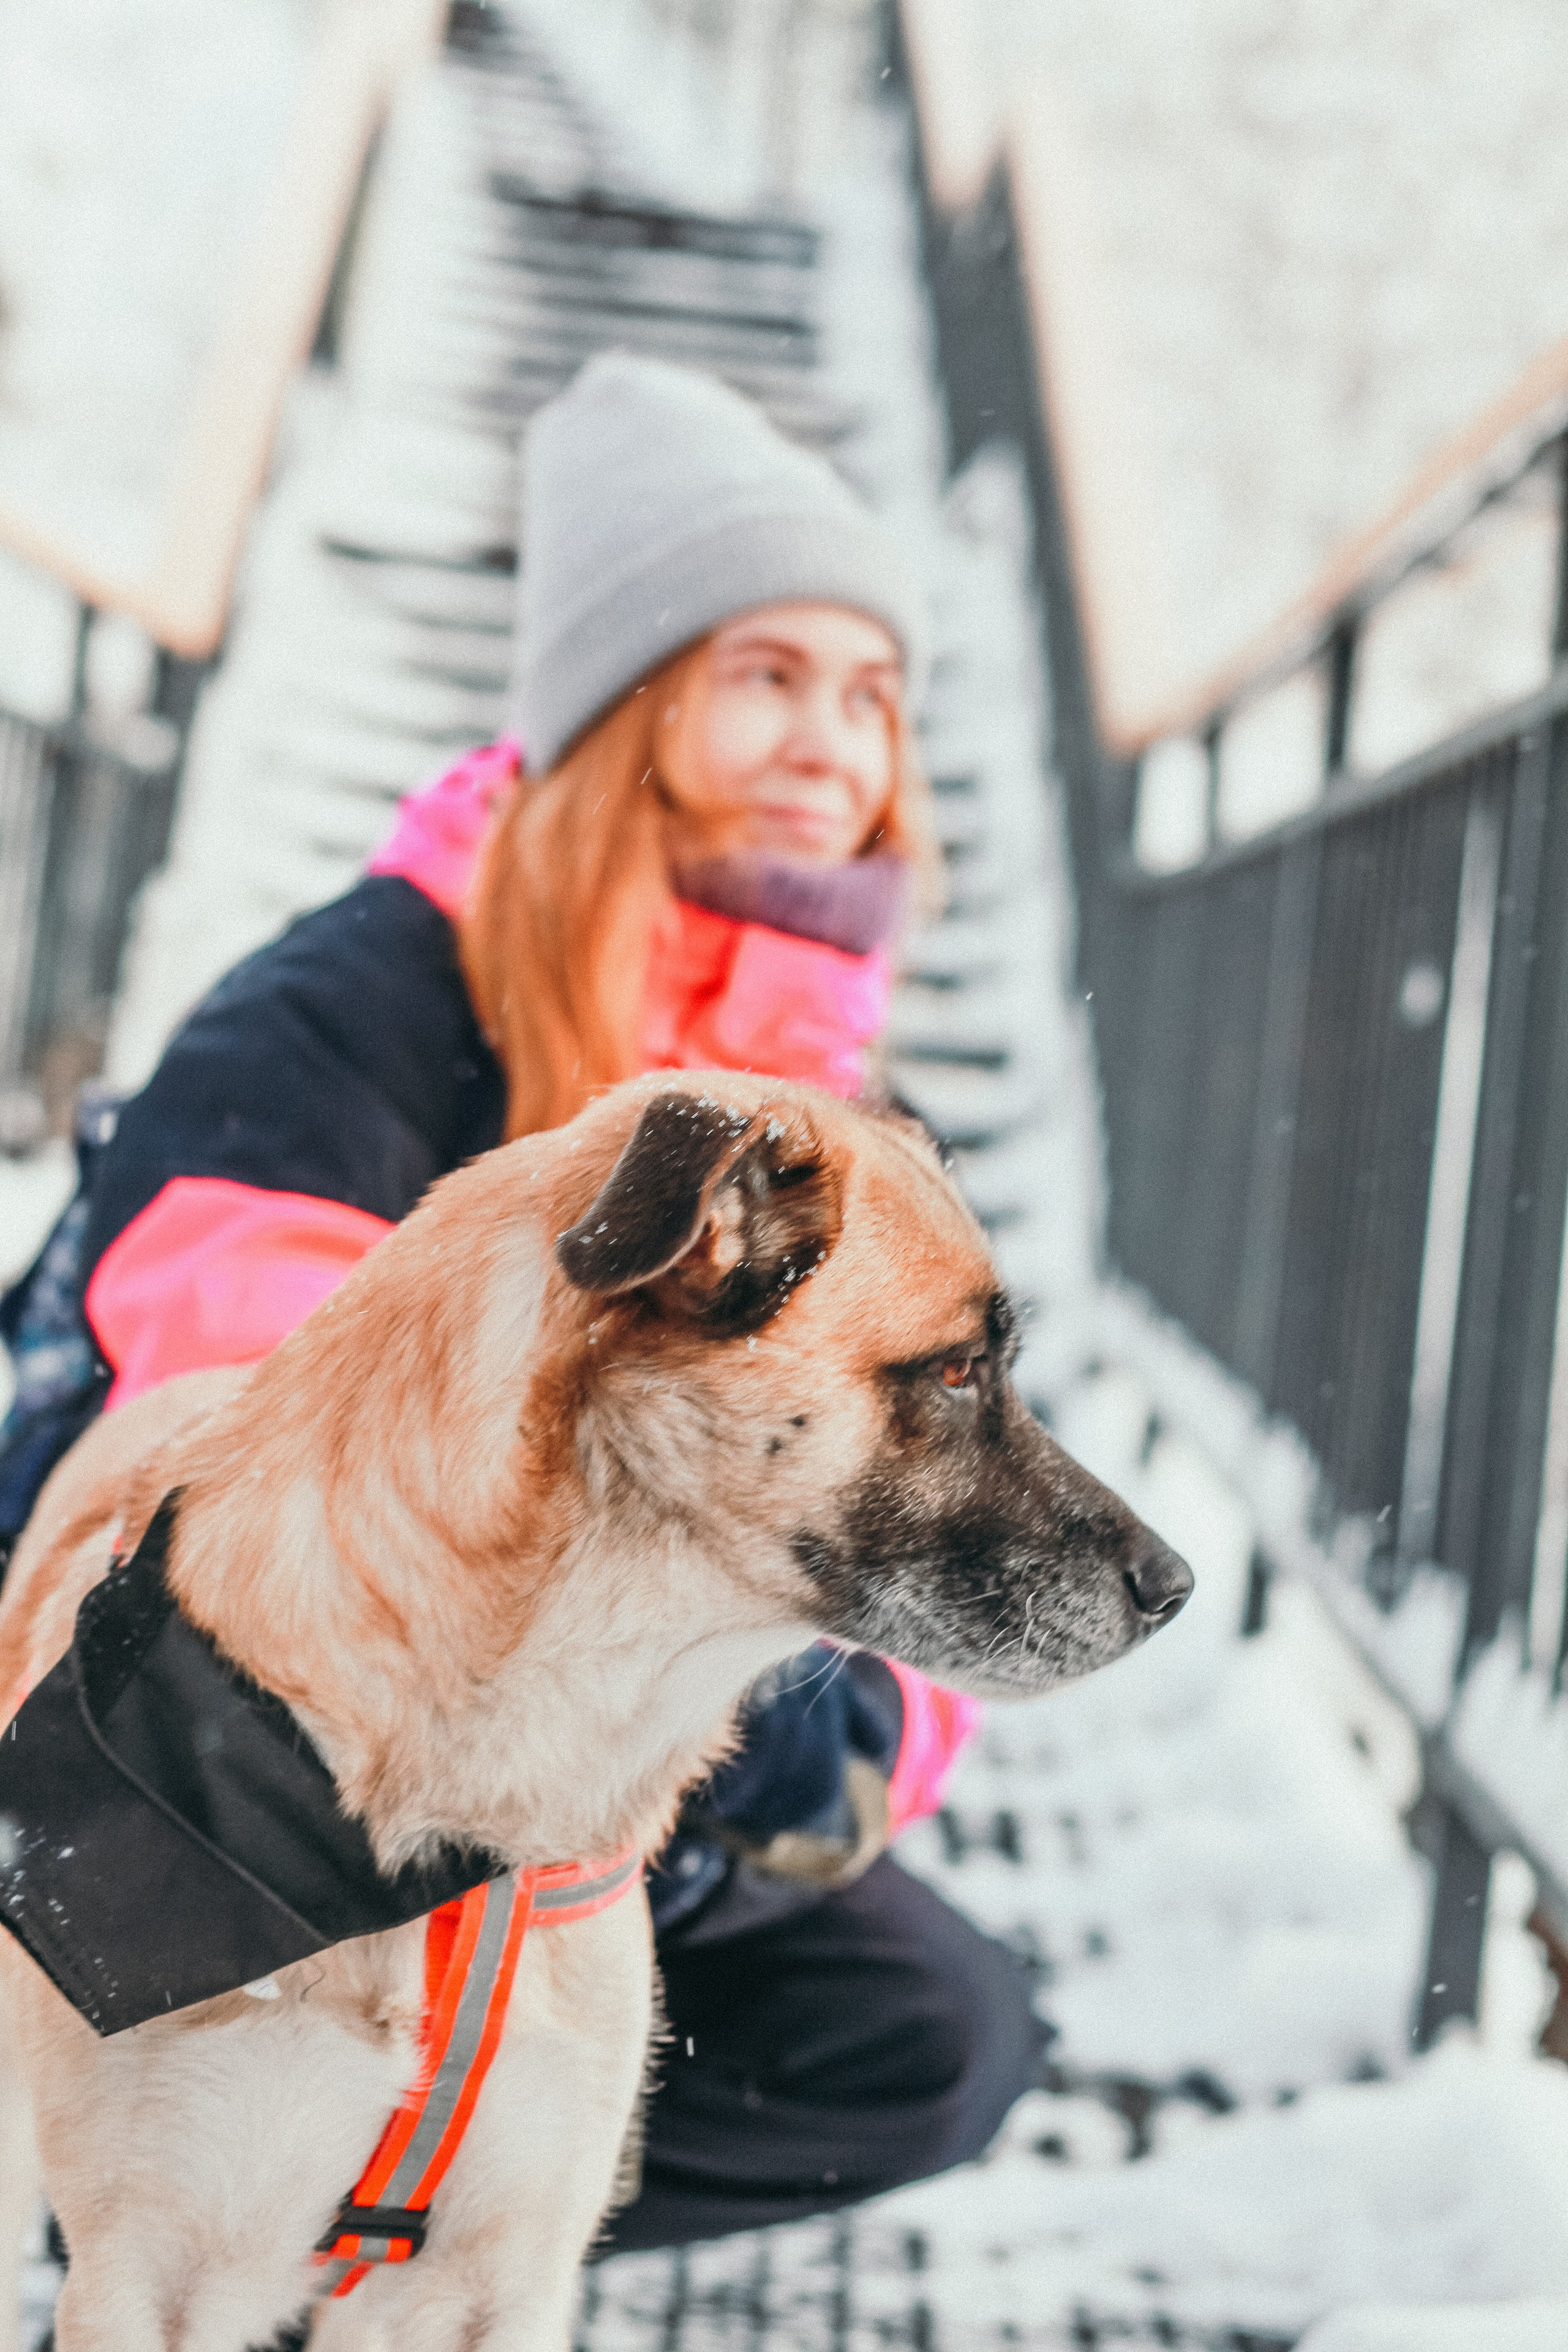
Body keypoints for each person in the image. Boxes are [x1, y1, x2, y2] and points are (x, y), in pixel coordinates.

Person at [0, 353, 1049, 2249]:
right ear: (628, 706)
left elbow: (910, 1489)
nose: (836, 734)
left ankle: (411, 2219)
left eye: (875, 692)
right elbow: (247, 1419)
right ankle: (165, 2180)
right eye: (766, 672)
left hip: (588, 1788)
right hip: (211, 1743)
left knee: (924, 2032)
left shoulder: (856, 1119)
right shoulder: (352, 1005)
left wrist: (846, 1726)